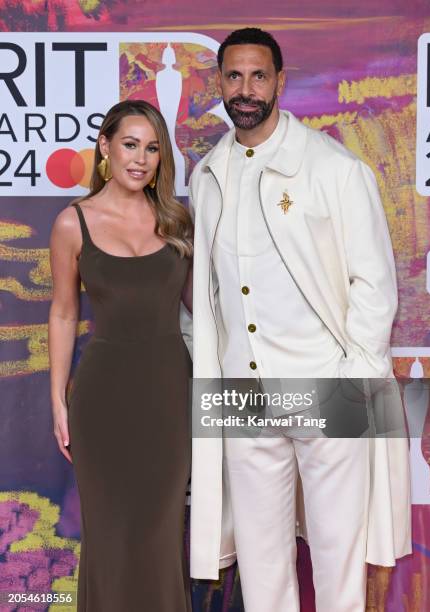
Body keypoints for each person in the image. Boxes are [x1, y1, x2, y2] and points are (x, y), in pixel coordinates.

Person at [188, 28, 411, 611]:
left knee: (340, 555)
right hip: (243, 393)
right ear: (219, 83)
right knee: (262, 563)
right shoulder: (207, 174)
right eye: (233, 76)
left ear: (280, 82)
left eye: (258, 76)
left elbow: (374, 283)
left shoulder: (333, 167)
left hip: (326, 385)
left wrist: (352, 378)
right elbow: (209, 295)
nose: (245, 89)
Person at [48, 100, 193, 612]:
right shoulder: (73, 224)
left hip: (169, 397)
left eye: (152, 148)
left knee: (158, 537)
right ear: (105, 147)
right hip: (102, 400)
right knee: (109, 539)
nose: (141, 158)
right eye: (130, 144)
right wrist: (58, 401)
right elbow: (64, 313)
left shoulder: (177, 220)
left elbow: (208, 313)